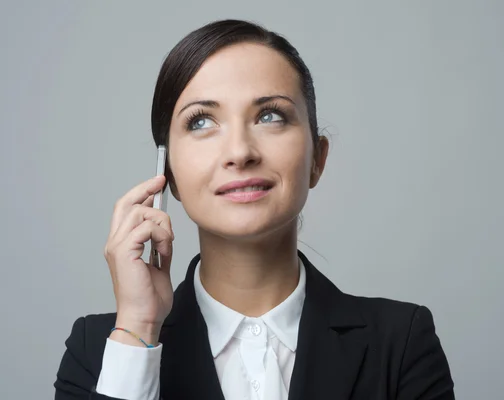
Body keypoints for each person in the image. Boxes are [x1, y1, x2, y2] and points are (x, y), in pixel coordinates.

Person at [54, 19, 455, 400]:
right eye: (201, 122)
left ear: (317, 159)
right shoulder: (101, 349)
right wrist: (138, 330)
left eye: (270, 116)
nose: (240, 152)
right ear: (168, 172)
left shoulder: (400, 343)